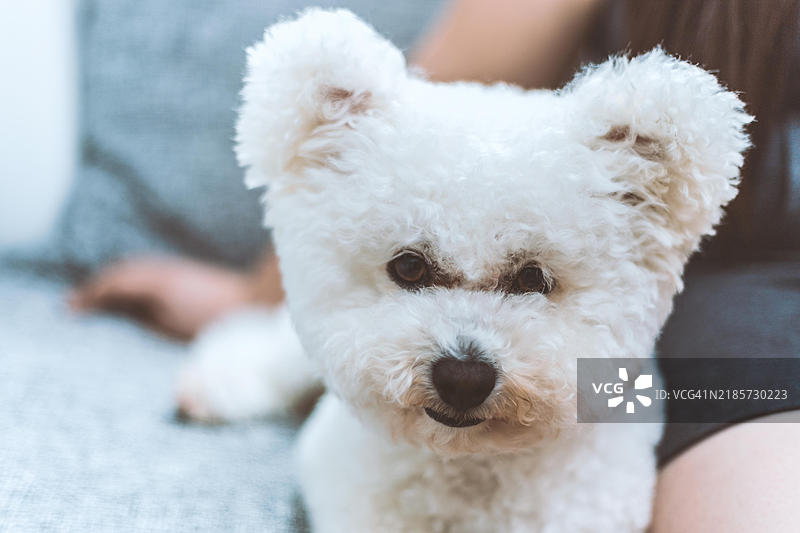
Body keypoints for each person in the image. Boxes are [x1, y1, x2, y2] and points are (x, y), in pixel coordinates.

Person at [71, 1, 800, 530]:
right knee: (622, 392)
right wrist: (249, 297)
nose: (464, 361)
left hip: (649, 326)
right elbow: (416, 145)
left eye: (529, 280)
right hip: (730, 325)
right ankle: (267, 362)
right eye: (415, 270)